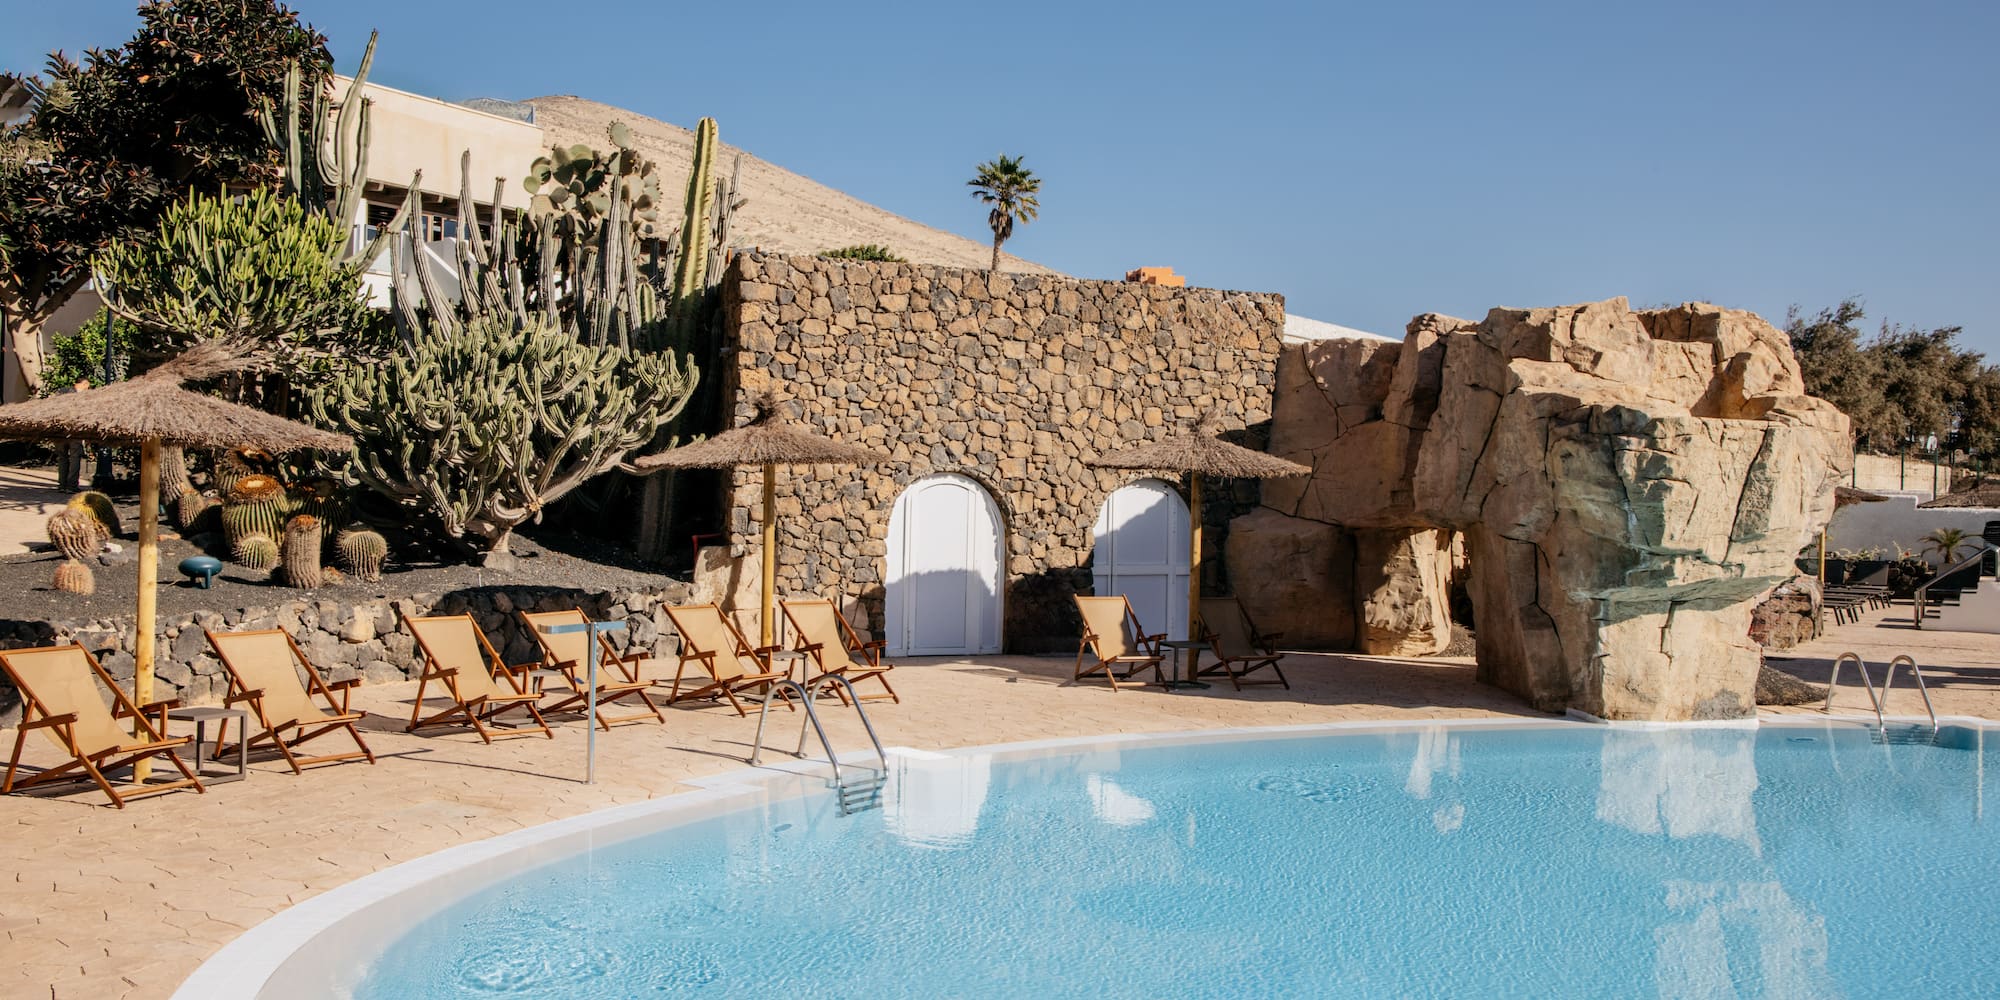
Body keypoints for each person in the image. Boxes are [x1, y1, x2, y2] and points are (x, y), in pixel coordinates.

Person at [55, 380, 91, 491]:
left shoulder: (61, 392)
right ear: (84, 383)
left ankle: (62, 485)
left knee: (62, 457)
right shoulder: (81, 398)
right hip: (75, 431)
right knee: (75, 457)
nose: (88, 389)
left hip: (58, 431)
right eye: (88, 386)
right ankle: (71, 486)